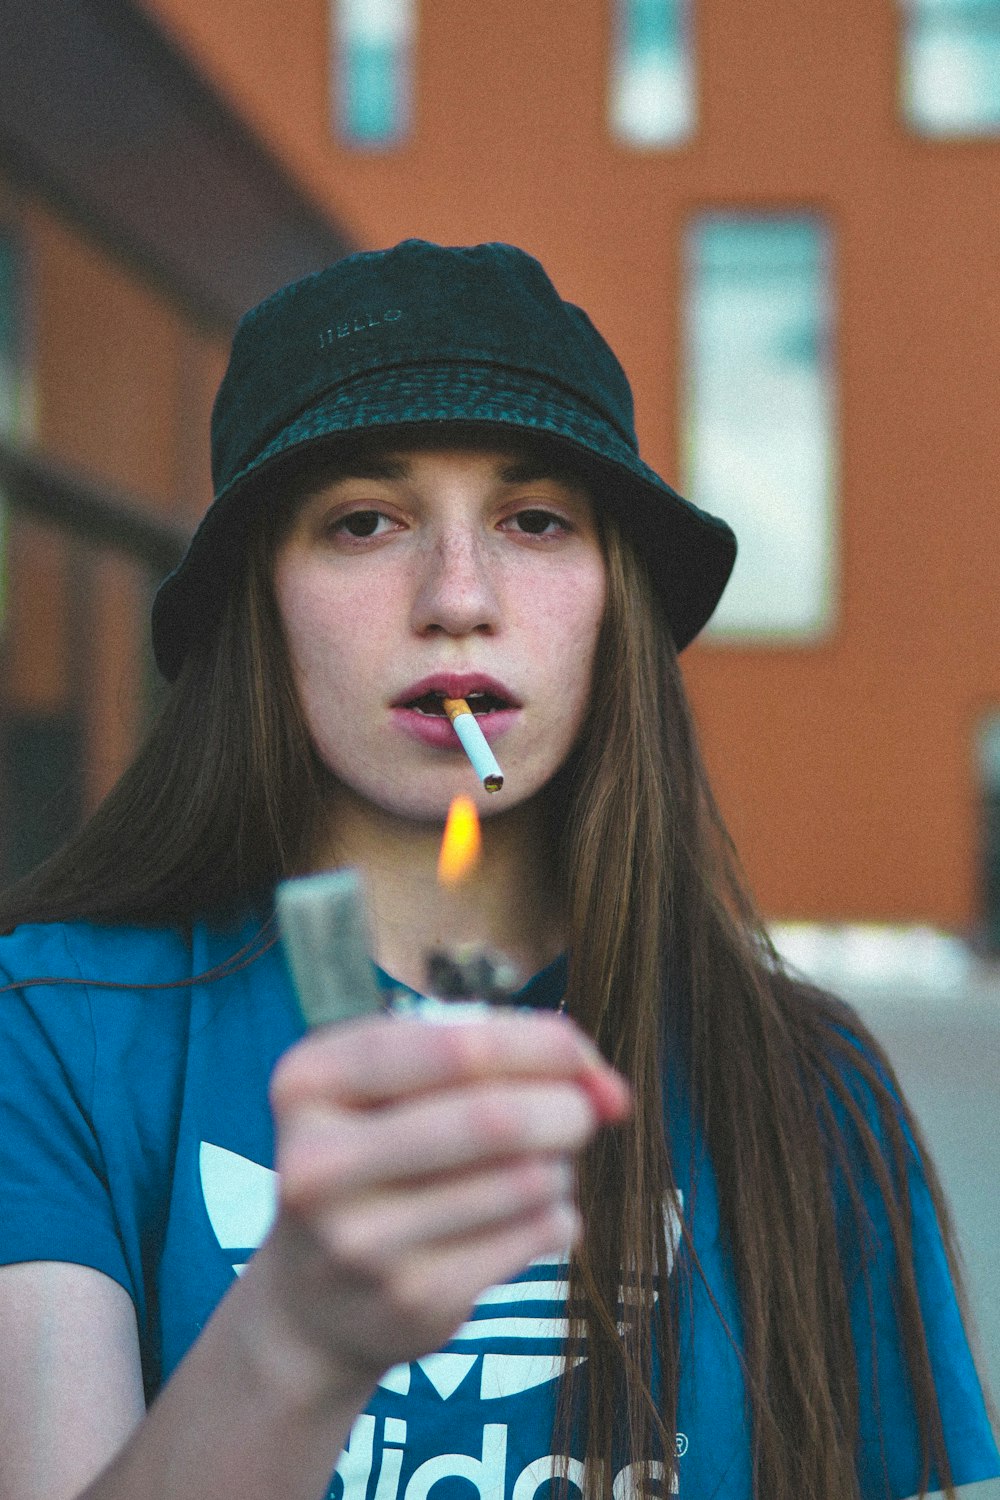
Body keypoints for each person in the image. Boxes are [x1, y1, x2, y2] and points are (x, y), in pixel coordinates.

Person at [0, 239, 995, 1500]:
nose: (457, 596)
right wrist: (291, 1344)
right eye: (363, 521)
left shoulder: (807, 1089)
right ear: (261, 600)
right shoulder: (54, 1034)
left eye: (534, 521)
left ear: (613, 598)